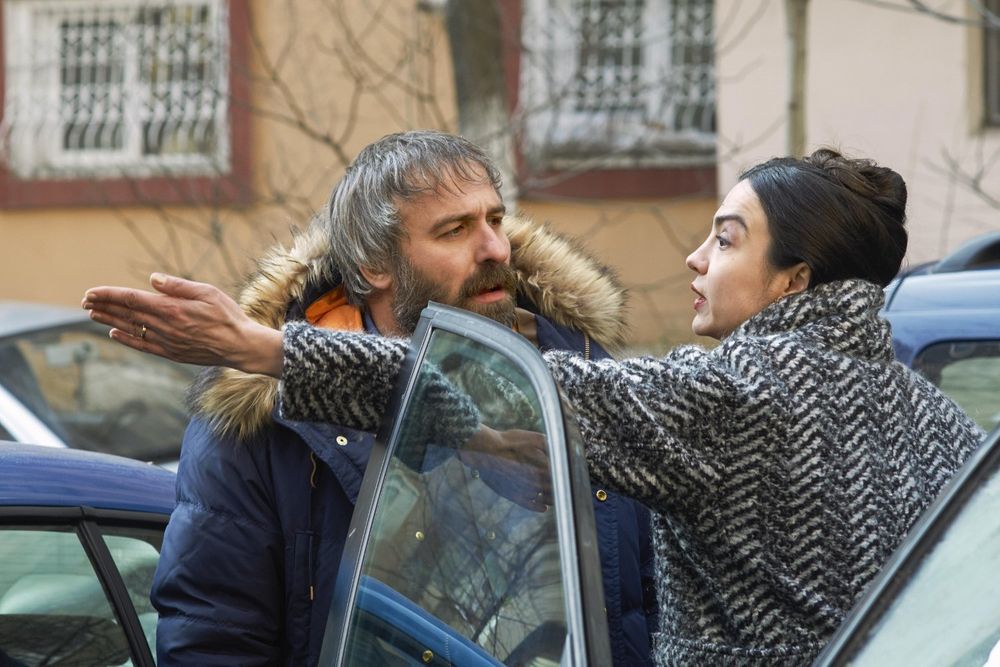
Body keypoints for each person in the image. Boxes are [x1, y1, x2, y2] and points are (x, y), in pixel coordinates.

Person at [84, 147, 986, 665]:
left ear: (793, 278)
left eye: (725, 239)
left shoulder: (734, 395)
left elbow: (508, 390)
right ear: (371, 264)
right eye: (455, 229)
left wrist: (263, 349)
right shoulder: (943, 420)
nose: (695, 260)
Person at [128, 131, 658, 666]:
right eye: (455, 231)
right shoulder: (259, 423)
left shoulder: (585, 376)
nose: (497, 249)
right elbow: (213, 645)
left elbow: (652, 606)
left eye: (495, 220)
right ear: (373, 266)